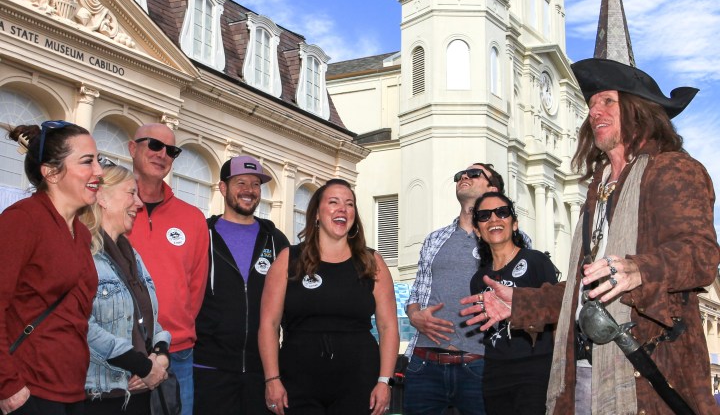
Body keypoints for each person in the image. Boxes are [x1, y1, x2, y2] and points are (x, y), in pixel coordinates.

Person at [463, 58, 720, 414]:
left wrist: (638, 269)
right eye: (591, 105)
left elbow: (700, 254)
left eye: (607, 101)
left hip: (647, 370)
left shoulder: (673, 168)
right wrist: (520, 304)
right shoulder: (597, 188)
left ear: (638, 109)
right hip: (586, 371)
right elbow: (585, 290)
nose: (594, 112)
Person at [258, 179, 399, 415]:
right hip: (298, 383)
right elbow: (268, 325)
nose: (342, 209)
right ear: (316, 214)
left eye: (349, 204)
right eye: (333, 202)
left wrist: (385, 381)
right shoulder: (288, 259)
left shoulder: (372, 262)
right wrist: (272, 379)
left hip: (359, 382)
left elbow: (388, 327)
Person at [0, 121, 102, 415]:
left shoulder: (81, 233)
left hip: (71, 391)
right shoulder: (22, 220)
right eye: (87, 162)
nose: (99, 171)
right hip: (28, 392)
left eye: (98, 160)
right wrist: (8, 386)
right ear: (51, 172)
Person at [403, 163, 509, 415]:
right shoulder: (435, 238)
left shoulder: (509, 238)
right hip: (424, 363)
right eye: (460, 175)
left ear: (492, 188)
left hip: (480, 365)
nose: (464, 176)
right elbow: (417, 292)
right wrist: (414, 314)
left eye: (474, 174)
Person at [193, 156, 290, 414]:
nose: (249, 190)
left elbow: (291, 303)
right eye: (241, 182)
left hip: (262, 372)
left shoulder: (276, 240)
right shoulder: (202, 235)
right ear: (223, 188)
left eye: (256, 184)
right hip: (209, 369)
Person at [126, 123, 209, 415]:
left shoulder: (193, 218)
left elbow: (196, 287)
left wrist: (176, 326)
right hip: (118, 354)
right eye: (154, 146)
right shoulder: (106, 206)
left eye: (171, 150)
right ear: (132, 148)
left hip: (177, 353)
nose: (162, 154)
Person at [81, 164, 171, 414]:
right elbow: (80, 325)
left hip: (138, 395)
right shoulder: (80, 252)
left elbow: (152, 323)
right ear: (102, 197)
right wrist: (142, 366)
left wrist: (161, 357)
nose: (139, 203)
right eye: (131, 193)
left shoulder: (133, 256)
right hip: (100, 396)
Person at [463, 192, 557, 414]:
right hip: (496, 371)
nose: (494, 219)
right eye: (484, 216)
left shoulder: (536, 261)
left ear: (514, 224)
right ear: (477, 230)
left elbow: (557, 315)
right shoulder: (478, 280)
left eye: (502, 213)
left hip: (537, 369)